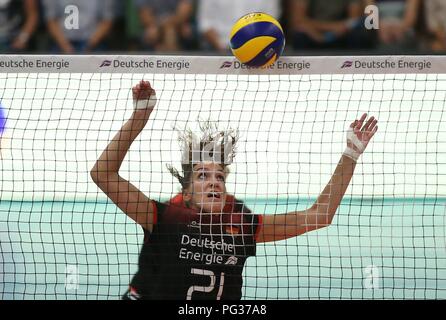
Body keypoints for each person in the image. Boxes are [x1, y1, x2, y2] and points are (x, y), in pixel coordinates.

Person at [90, 80, 378, 300]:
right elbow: (102, 174)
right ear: (187, 193)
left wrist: (350, 154)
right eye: (203, 176)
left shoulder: (242, 226)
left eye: (219, 177)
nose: (214, 181)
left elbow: (319, 215)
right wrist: (139, 117)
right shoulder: (162, 218)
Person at [42, 0, 115, 53]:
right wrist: (65, 46)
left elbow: (107, 21)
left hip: (94, 42)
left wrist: (89, 46)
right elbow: (51, 20)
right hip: (61, 42)